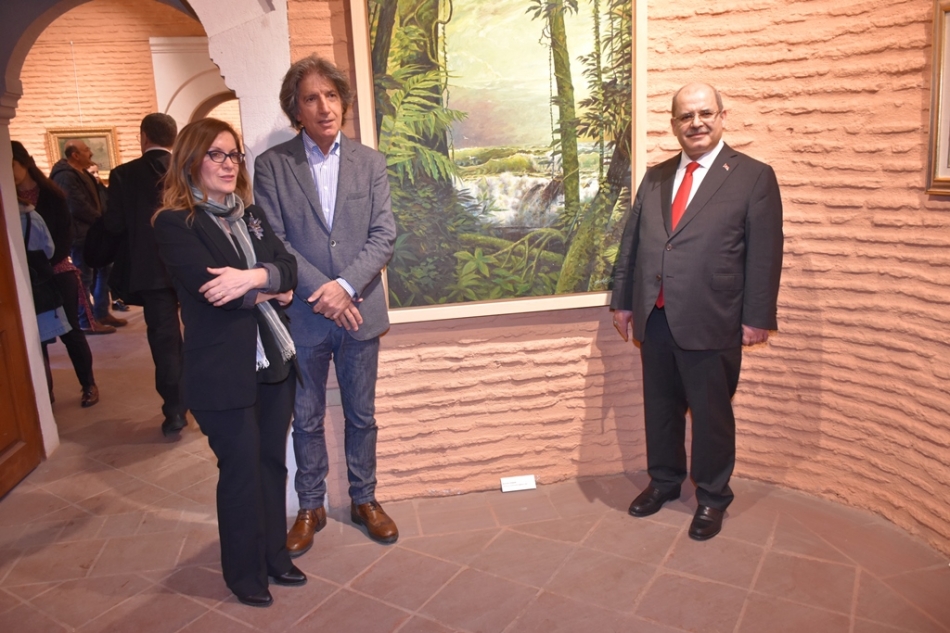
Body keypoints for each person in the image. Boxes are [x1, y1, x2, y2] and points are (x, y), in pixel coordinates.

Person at [610, 83, 783, 540]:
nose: (696, 123)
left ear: (723, 116)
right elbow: (633, 244)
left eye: (705, 113)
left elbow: (765, 253)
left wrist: (757, 316)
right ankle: (664, 481)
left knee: (711, 415)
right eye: (686, 116)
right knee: (661, 408)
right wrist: (623, 300)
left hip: (714, 316)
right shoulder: (656, 177)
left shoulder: (753, 176)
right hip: (656, 316)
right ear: (673, 125)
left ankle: (712, 496)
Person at [152, 118, 304, 608]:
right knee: (240, 472)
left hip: (273, 360)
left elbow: (288, 268)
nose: (227, 163)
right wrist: (269, 286)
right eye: (215, 154)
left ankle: (275, 556)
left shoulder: (251, 215)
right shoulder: (175, 223)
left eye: (233, 154)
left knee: (271, 465)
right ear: (190, 160)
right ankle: (244, 574)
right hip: (221, 372)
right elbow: (214, 292)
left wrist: (253, 278)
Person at [254, 54, 398, 554]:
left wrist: (346, 286)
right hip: (304, 316)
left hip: (360, 310)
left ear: (343, 102)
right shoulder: (273, 165)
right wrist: (327, 293)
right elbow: (273, 240)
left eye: (331, 96)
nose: (324, 107)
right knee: (307, 417)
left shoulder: (369, 162)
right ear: (296, 109)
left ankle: (365, 499)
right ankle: (310, 505)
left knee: (362, 415)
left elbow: (384, 235)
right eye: (311, 98)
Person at [104, 113, 187, 437]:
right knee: (203, 332)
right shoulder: (187, 168)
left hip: (152, 270)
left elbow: (114, 225)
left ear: (144, 137)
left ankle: (175, 410)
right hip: (193, 266)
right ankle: (206, 397)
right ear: (174, 137)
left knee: (165, 341)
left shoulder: (123, 175)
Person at [13, 141, 100, 407]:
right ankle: (44, 392)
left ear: (24, 163)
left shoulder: (52, 195)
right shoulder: (9, 198)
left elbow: (64, 236)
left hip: (56, 269)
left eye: (11, 165)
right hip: (27, 275)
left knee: (71, 331)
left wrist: (44, 263)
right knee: (34, 336)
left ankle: (88, 384)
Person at [50, 139, 125, 332]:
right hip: (80, 235)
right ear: (75, 155)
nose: (90, 152)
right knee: (84, 278)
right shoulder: (65, 176)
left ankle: (101, 313)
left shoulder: (82, 173)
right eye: (86, 150)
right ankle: (86, 321)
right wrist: (100, 221)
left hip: (93, 233)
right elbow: (76, 205)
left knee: (105, 271)